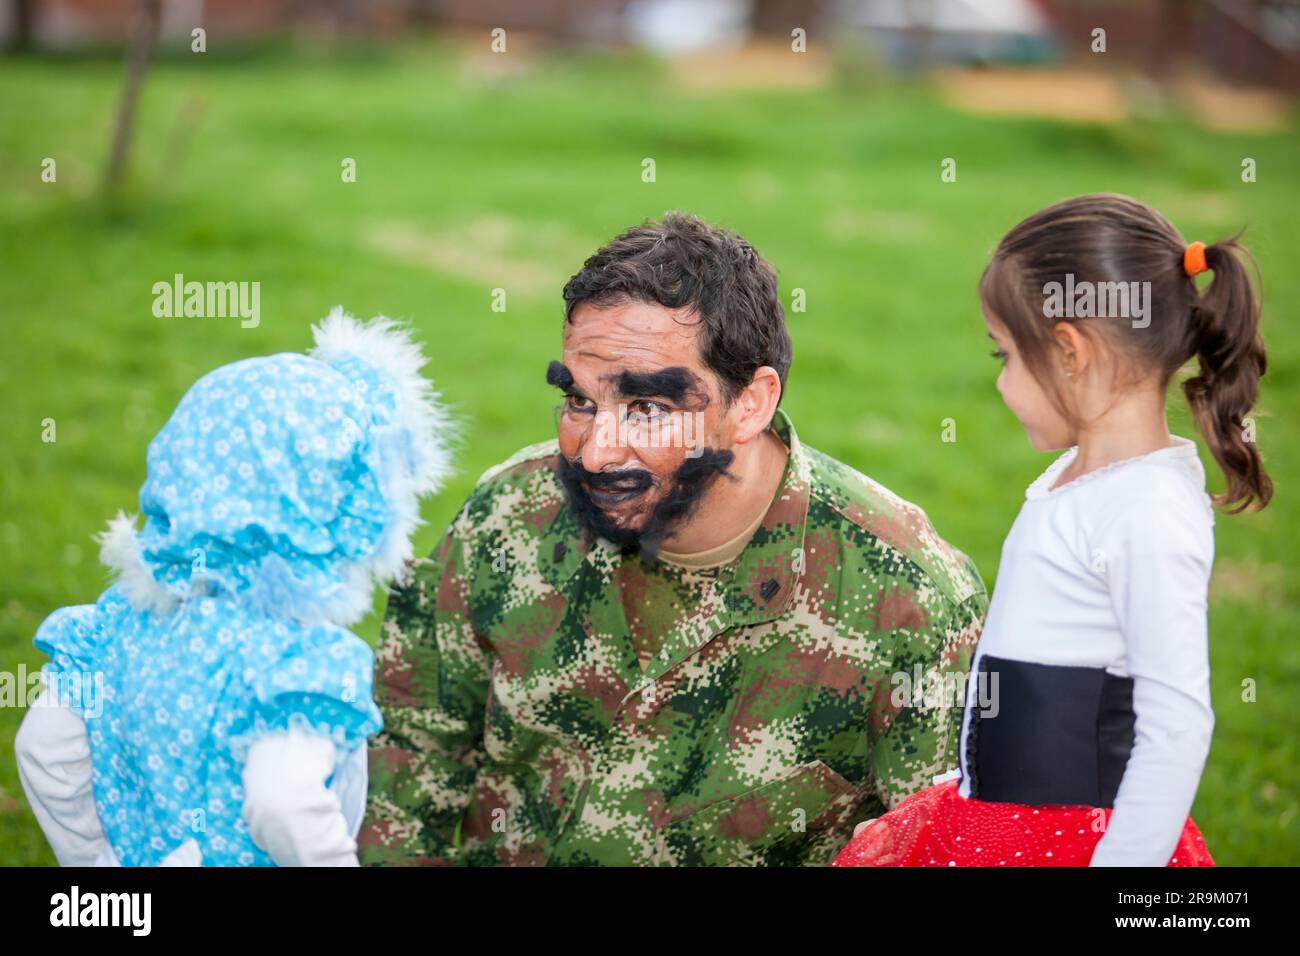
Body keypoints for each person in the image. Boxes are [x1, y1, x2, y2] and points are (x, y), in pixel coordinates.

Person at [360, 212, 989, 866]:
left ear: (750, 402)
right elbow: (406, 754)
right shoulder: (510, 514)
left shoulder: (908, 598)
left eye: (648, 409)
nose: (598, 453)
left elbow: (941, 843)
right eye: (580, 402)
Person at [835, 193, 1272, 868]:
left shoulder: (1146, 508)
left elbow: (1177, 721)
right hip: (1002, 820)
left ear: (1069, 350)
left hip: (1069, 846)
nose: (1003, 383)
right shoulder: (1080, 479)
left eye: (1004, 356)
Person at [15, 309, 455, 866]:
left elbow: (44, 749)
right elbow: (284, 802)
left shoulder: (114, 628)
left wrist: (96, 860)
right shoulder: (299, 664)